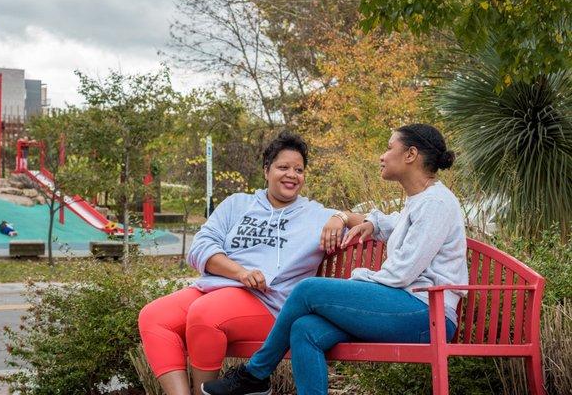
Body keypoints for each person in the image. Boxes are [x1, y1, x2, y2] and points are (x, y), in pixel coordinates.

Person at [202, 123, 469, 395]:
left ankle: (255, 373)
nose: (383, 156)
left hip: (427, 316)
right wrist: (354, 220)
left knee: (308, 289)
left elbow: (401, 273)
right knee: (305, 329)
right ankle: (258, 378)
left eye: (389, 148)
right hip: (404, 309)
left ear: (410, 154)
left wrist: (359, 277)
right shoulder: (421, 201)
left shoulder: (436, 203)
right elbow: (391, 223)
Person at [138, 131, 363, 395]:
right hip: (218, 288)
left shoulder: (314, 214)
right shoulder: (237, 204)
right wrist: (240, 272)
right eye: (283, 167)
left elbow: (374, 221)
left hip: (270, 304)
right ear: (266, 170)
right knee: (154, 317)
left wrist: (341, 217)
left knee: (205, 315)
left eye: (299, 169)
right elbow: (200, 246)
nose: (292, 174)